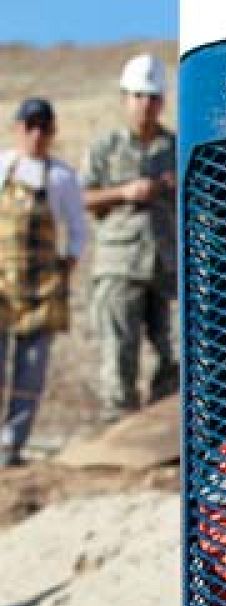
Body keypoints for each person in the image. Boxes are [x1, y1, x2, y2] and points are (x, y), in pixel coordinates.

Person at [82, 52, 178, 423]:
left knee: (175, 352)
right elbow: (83, 197)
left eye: (153, 97)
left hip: (167, 265)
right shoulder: (105, 147)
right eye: (138, 96)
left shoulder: (175, 148)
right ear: (124, 99)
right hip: (119, 265)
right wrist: (124, 192)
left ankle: (163, 426)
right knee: (119, 352)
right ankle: (118, 426)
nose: (145, 105)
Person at [0, 97, 86, 466]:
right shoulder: (3, 166)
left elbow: (77, 229)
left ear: (52, 132)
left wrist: (67, 265)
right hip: (2, 284)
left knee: (30, 371)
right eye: (29, 126)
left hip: (42, 288)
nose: (36, 135)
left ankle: (11, 444)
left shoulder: (62, 177)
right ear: (17, 128)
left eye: (43, 127)